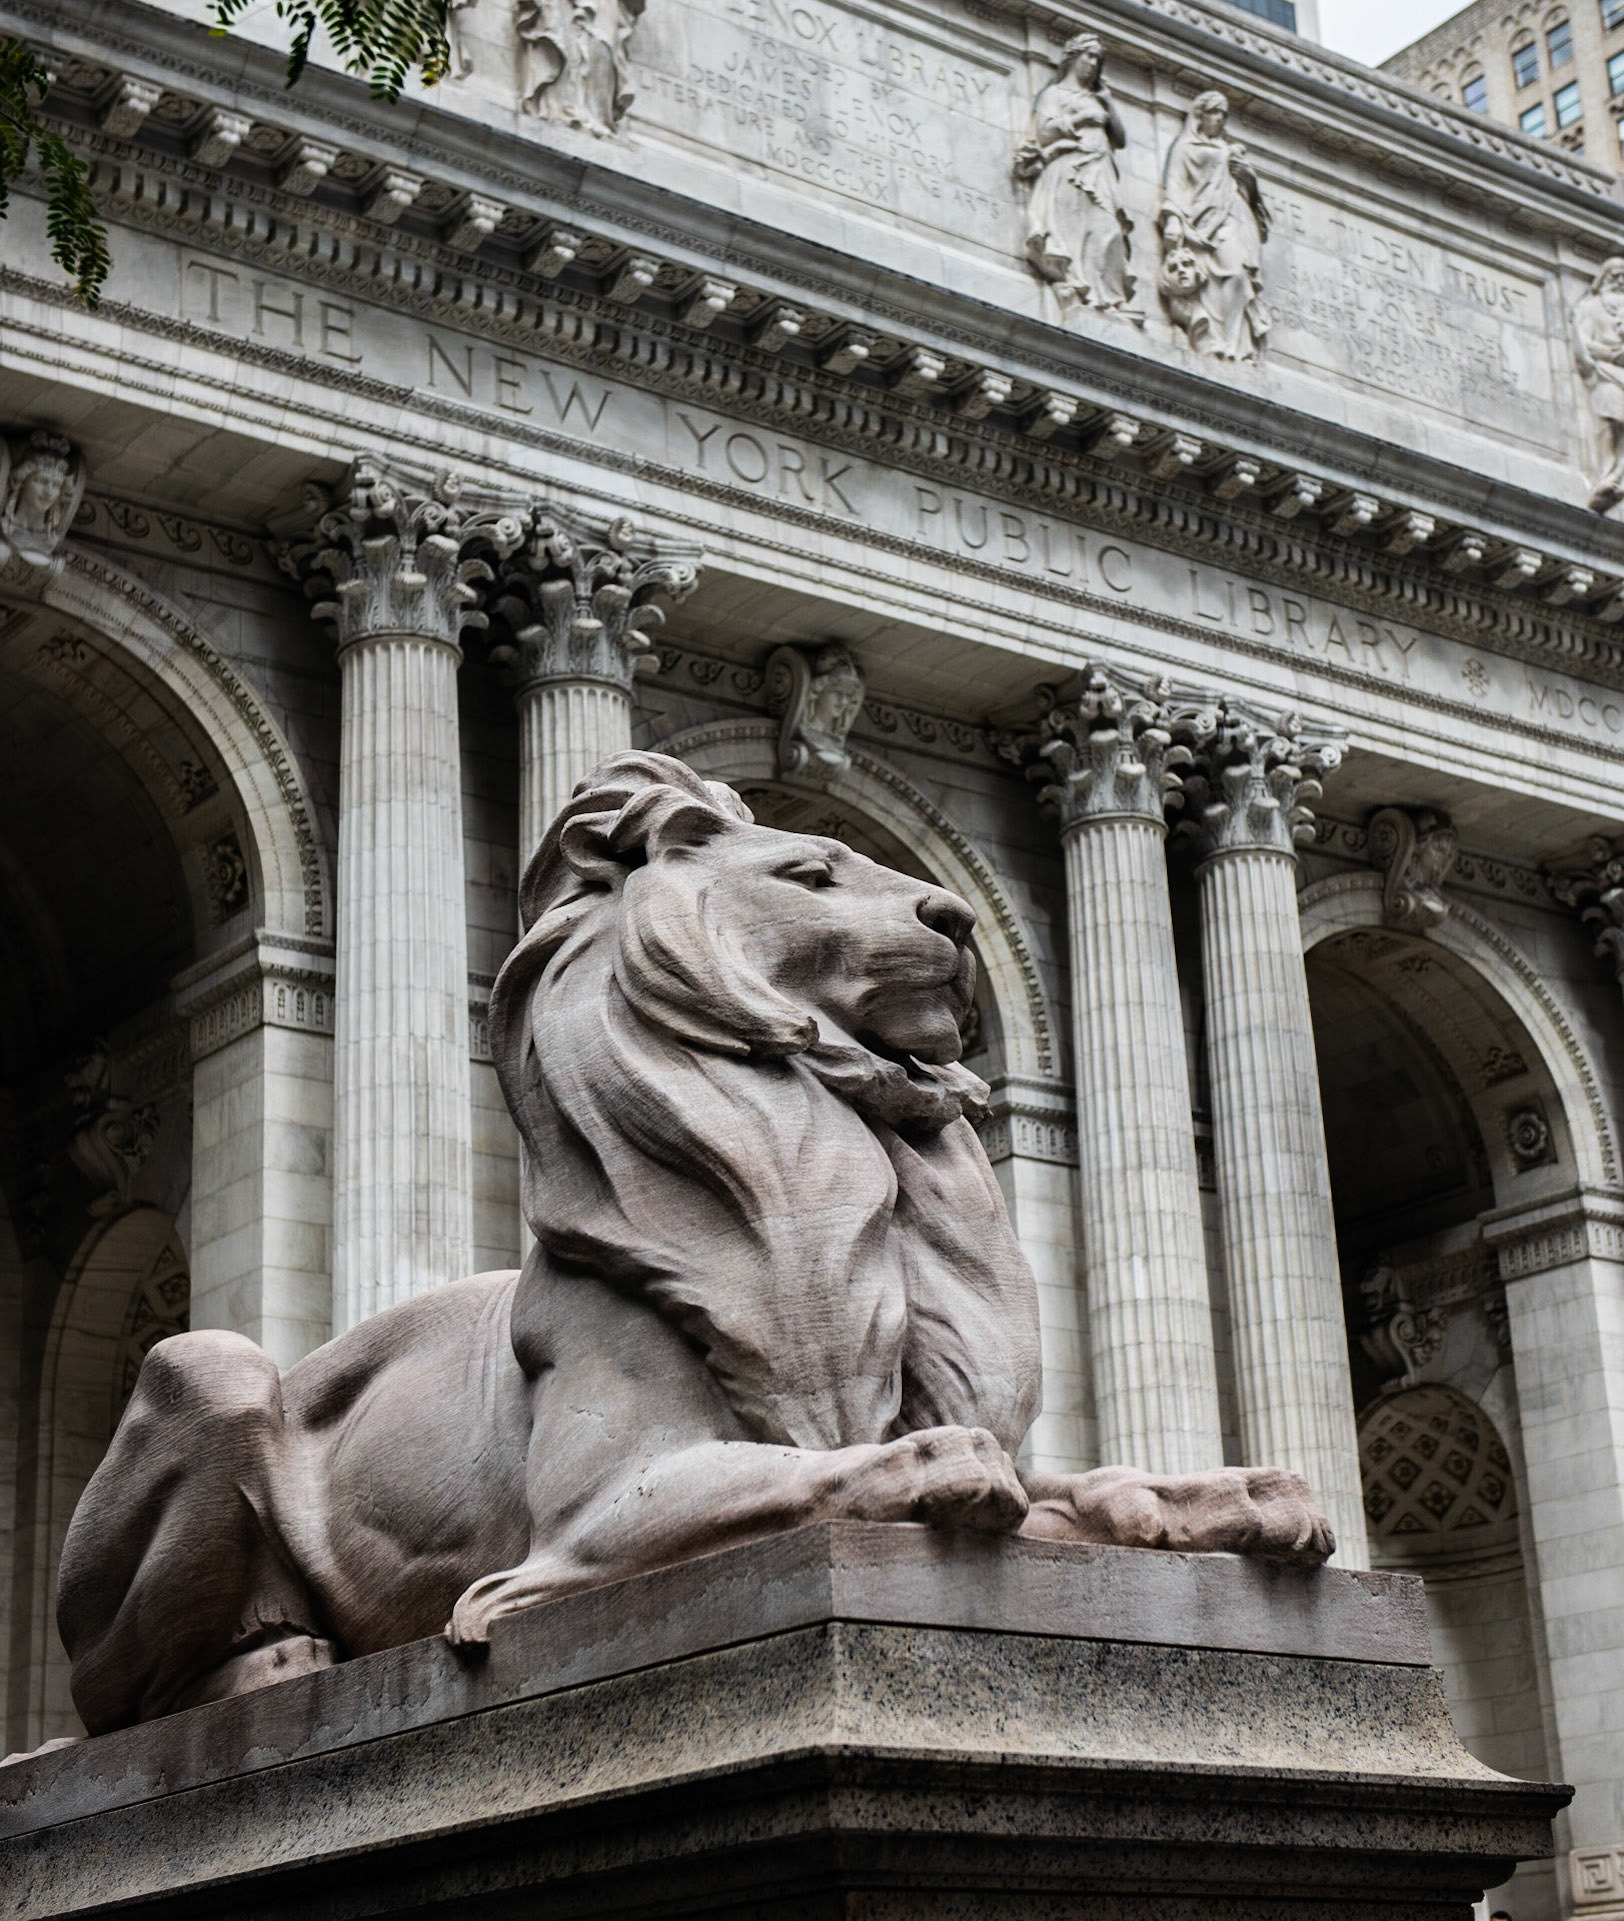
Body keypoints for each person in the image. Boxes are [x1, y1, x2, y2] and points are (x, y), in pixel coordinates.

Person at [1015, 34, 1138, 320]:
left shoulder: (1098, 99)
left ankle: (1108, 297)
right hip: (1069, 168)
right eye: (1089, 56)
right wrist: (1081, 119)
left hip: (1101, 170)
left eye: (1098, 59)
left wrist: (1108, 103)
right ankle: (1078, 288)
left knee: (1108, 229)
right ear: (1073, 57)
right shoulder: (1055, 93)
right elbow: (1044, 131)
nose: (1093, 64)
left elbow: (1120, 139)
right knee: (1074, 229)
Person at [1157, 88, 1270, 361]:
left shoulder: (1229, 150)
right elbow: (1175, 184)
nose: (1219, 119)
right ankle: (1211, 339)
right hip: (1200, 223)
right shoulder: (1185, 147)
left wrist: (1249, 179)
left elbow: (1252, 198)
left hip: (1234, 218)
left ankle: (1235, 346)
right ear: (1200, 115)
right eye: (1214, 112)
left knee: (1237, 275)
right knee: (1208, 280)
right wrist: (1173, 220)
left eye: (1223, 114)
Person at [1574, 257, 1624, 514]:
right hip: (1605, 372)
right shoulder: (1592, 307)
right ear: (1603, 278)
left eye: (1623, 276)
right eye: (1615, 275)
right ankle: (1607, 473)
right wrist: (1612, 354)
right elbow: (1584, 343)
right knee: (1609, 419)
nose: (1620, 280)